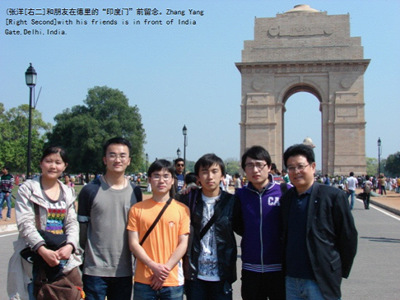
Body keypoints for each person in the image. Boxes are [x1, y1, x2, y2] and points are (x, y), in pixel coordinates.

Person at [280, 144, 358, 300]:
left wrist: (335, 271)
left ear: (313, 166)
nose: (296, 171)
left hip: (320, 280)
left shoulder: (333, 196)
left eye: (300, 166)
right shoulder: (286, 199)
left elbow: (348, 238)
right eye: (291, 167)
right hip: (291, 279)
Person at [7, 146, 82, 299]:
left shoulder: (68, 192)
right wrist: (42, 249)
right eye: (48, 161)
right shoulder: (28, 190)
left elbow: (72, 223)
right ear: (41, 163)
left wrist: (70, 245)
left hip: (62, 258)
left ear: (65, 166)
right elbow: (25, 224)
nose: (53, 166)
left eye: (58, 162)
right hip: (35, 258)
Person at [78, 137, 142, 300]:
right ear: (105, 159)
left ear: (129, 160)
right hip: (94, 270)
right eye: (112, 155)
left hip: (124, 270)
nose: (117, 159)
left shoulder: (135, 192)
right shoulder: (89, 191)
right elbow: (82, 232)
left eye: (122, 155)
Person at [127, 159, 190, 300]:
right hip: (143, 279)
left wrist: (164, 270)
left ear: (173, 180)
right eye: (156, 176)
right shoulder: (136, 209)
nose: (161, 180)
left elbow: (183, 244)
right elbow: (133, 243)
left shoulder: (182, 210)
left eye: (166, 176)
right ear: (149, 179)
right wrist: (153, 266)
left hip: (173, 279)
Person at [234, 145, 290, 300]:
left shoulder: (286, 192)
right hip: (251, 267)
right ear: (244, 169)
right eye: (250, 165)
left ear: (269, 167)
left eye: (260, 165)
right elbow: (238, 225)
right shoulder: (239, 196)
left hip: (280, 267)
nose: (255, 170)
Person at [180, 154, 238, 300]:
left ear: (223, 176)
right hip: (195, 274)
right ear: (198, 177)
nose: (210, 176)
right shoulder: (188, 200)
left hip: (222, 274)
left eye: (214, 171)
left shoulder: (232, 202)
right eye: (204, 171)